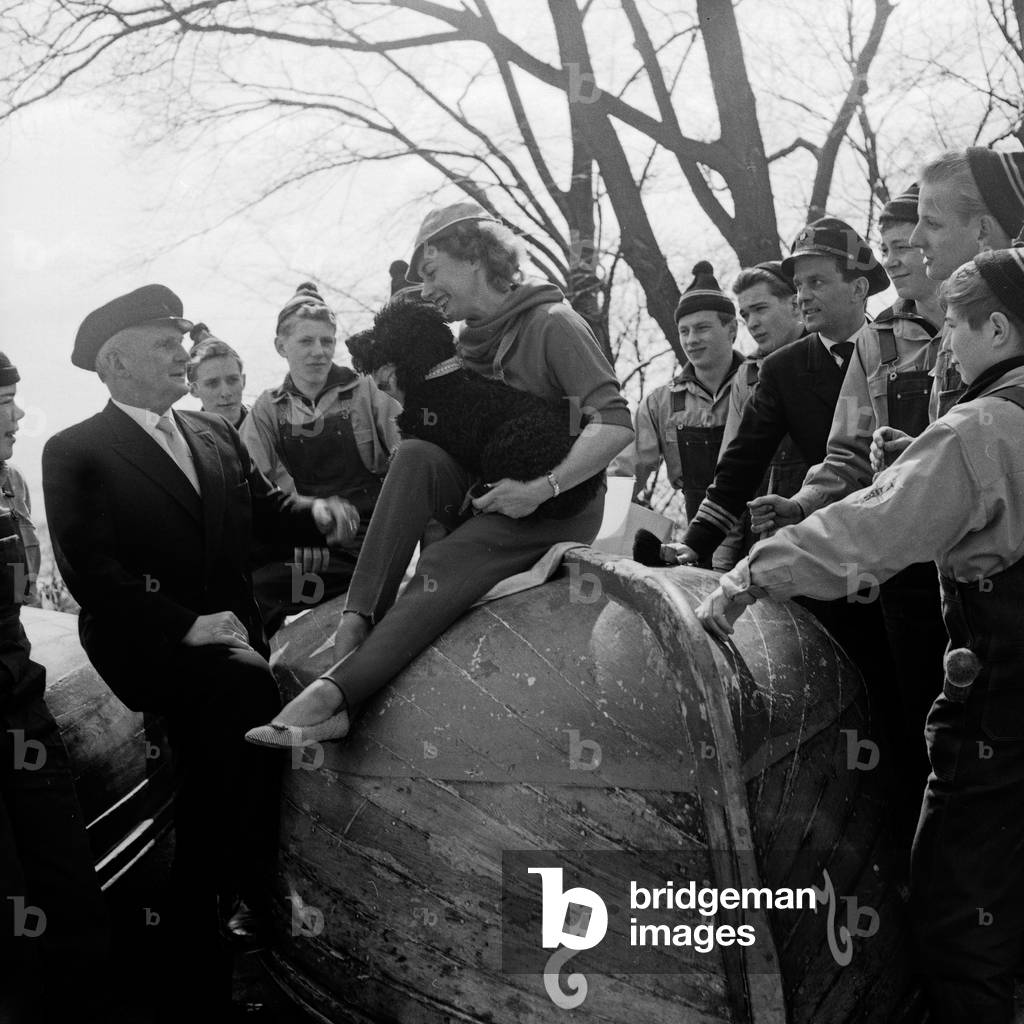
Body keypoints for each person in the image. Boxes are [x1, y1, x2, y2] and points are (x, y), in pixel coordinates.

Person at [694, 247, 1024, 1024]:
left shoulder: (980, 426)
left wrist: (751, 574)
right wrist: (929, 467)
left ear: (1000, 327)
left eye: (954, 327)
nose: (942, 345)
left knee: (956, 914)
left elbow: (868, 533)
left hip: (1000, 715)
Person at [41, 284, 358, 1014]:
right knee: (244, 691)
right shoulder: (76, 450)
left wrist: (327, 517)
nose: (183, 352)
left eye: (181, 339)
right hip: (145, 643)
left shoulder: (212, 435)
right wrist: (186, 623)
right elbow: (92, 572)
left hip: (226, 638)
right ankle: (236, 891)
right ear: (116, 364)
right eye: (164, 344)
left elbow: (268, 515)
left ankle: (207, 904)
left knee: (219, 760)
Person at [245, 201, 634, 746]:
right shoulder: (466, 338)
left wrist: (539, 488)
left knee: (448, 557)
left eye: (432, 273)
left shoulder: (553, 323)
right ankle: (358, 614)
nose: (427, 290)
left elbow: (615, 425)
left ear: (475, 256)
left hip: (557, 497)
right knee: (415, 453)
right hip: (488, 485)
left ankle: (337, 697)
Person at [747, 185, 946, 793]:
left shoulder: (999, 315)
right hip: (905, 564)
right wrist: (802, 505)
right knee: (915, 715)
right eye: (886, 247)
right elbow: (846, 453)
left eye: (909, 243)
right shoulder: (876, 342)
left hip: (985, 554)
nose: (896, 257)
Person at [0, 352, 109, 1023]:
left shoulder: (9, 483)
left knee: (72, 895)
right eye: (1, 403)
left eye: (14, 399)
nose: (16, 416)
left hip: (24, 717)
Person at [239, 282, 401, 634]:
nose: (319, 352)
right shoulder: (268, 409)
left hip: (369, 542)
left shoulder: (366, 390)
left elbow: (410, 455)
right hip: (311, 542)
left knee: (261, 589)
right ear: (281, 346)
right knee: (243, 582)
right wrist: (299, 532)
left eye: (327, 341)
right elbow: (250, 486)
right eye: (306, 341)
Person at [876, 147, 1024, 468]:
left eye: (932, 223)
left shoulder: (1009, 315)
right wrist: (921, 452)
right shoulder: (964, 312)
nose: (916, 238)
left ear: (983, 230)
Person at [632, 261, 743, 527]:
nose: (691, 339)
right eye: (684, 331)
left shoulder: (763, 386)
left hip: (765, 532)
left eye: (702, 328)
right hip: (698, 537)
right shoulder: (660, 403)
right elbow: (626, 473)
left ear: (732, 330)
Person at [711, 260, 806, 570]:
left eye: (760, 309)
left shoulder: (832, 358)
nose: (751, 323)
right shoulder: (747, 377)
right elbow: (731, 471)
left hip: (828, 540)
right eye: (745, 314)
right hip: (764, 545)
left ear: (794, 304)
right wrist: (721, 556)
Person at [187, 323, 249, 428]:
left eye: (233, 380)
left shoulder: (270, 427)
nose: (226, 393)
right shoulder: (186, 441)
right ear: (193, 390)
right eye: (212, 383)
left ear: (243, 381)